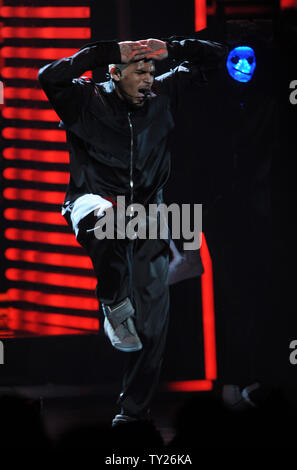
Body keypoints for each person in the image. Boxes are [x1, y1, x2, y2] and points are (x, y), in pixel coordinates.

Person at [38, 36, 226, 425]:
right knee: (110, 220)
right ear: (115, 72)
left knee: (154, 324)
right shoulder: (84, 99)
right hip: (92, 199)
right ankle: (114, 301)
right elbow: (48, 76)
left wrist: (171, 48)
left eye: (151, 71)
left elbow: (218, 59)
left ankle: (133, 415)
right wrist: (111, 50)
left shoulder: (162, 94)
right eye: (138, 71)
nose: (147, 79)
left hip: (149, 212)